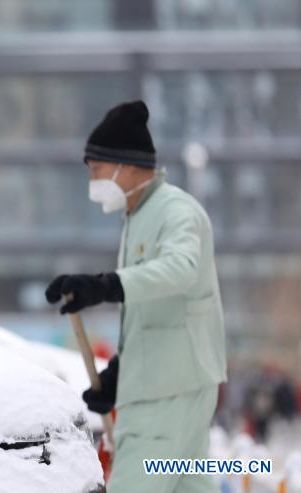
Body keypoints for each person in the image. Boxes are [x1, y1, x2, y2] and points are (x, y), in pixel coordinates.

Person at [45, 100, 227, 492]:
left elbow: (181, 270)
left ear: (124, 165)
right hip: (171, 381)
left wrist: (105, 285)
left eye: (97, 171)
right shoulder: (141, 215)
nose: (93, 182)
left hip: (166, 390)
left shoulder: (175, 211)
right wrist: (121, 374)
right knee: (186, 485)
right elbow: (156, 312)